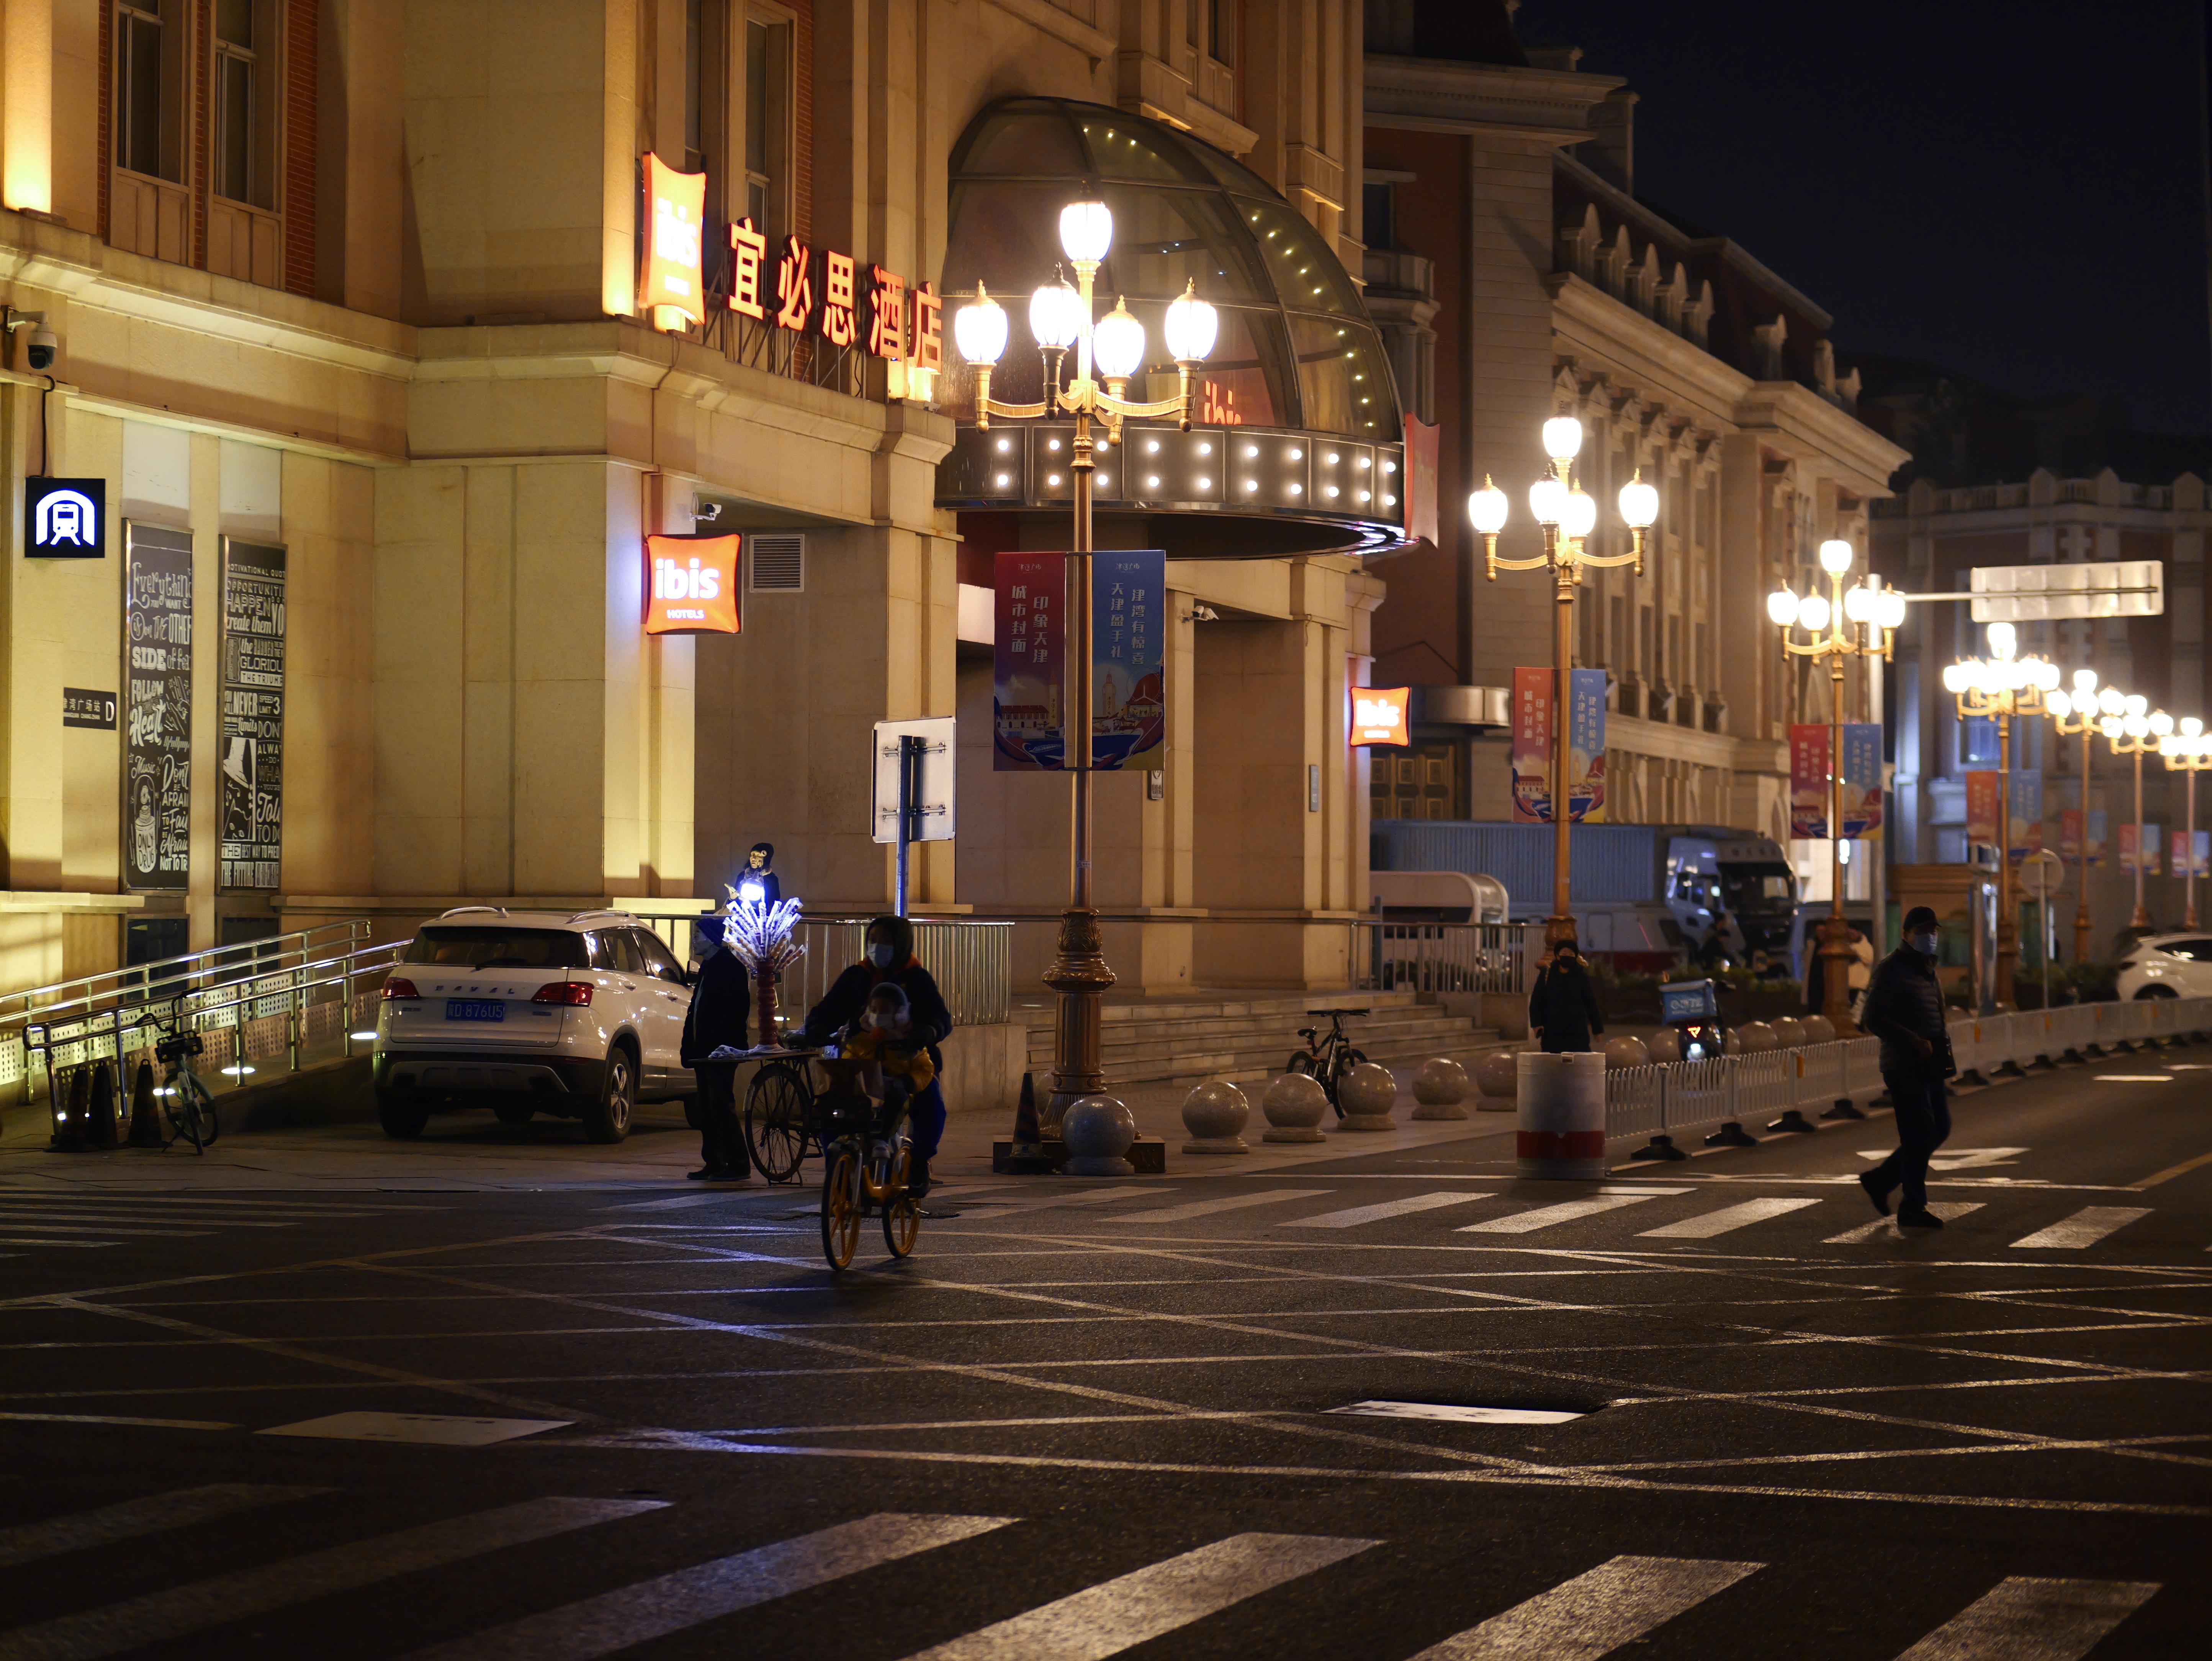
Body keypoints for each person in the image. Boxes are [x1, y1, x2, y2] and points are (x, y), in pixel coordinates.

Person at [802, 915, 952, 1194]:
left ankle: (919, 1162)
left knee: (931, 1106)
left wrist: (926, 1033)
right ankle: (838, 1163)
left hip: (907, 1062)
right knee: (828, 1106)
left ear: (901, 943)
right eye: (873, 940)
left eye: (886, 941)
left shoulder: (917, 978)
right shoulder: (856, 976)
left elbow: (941, 1018)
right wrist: (817, 1028)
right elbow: (828, 1009)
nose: (878, 947)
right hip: (861, 1063)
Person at [1857, 905, 1955, 1227]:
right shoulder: (1893, 969)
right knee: (1921, 1133)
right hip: (1904, 1064)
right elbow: (1873, 1018)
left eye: (1933, 930)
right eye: (1923, 931)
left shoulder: (1926, 968)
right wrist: (1912, 1040)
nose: (1930, 936)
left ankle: (1882, 1180)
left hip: (1929, 1063)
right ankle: (1912, 1206)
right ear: (1906, 934)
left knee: (1939, 1127)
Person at [839, 983, 940, 1182]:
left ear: (901, 1014)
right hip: (865, 1095)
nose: (878, 1016)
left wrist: (907, 1082)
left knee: (901, 1098)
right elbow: (848, 1062)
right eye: (875, 1010)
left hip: (895, 1093)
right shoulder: (860, 1041)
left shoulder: (910, 1043)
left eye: (885, 1011)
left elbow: (925, 1069)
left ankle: (883, 1140)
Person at [680, 915, 751, 1182]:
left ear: (712, 938)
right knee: (707, 1107)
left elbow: (734, 1010)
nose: (694, 940)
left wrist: (719, 1044)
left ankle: (738, 1163)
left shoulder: (730, 966)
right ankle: (715, 1161)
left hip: (721, 1050)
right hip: (705, 1050)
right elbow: (696, 1009)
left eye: (698, 935)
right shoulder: (709, 967)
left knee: (721, 1105)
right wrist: (690, 1044)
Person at [1528, 941, 1605, 1054]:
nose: (1568, 956)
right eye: (1564, 953)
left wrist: (1597, 1029)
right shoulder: (1547, 975)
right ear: (1558, 955)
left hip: (1577, 1032)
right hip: (1553, 1031)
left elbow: (1591, 1004)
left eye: (1571, 953)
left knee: (1578, 1063)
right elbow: (1536, 1002)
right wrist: (1537, 1025)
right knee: (1554, 1062)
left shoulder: (1581, 976)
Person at [730, 842, 781, 909]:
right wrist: (732, 898)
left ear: (766, 859)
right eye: (752, 855)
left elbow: (774, 903)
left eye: (758, 856)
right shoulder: (742, 876)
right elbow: (734, 904)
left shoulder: (771, 879)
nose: (754, 858)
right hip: (742, 916)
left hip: (762, 917)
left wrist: (753, 903)